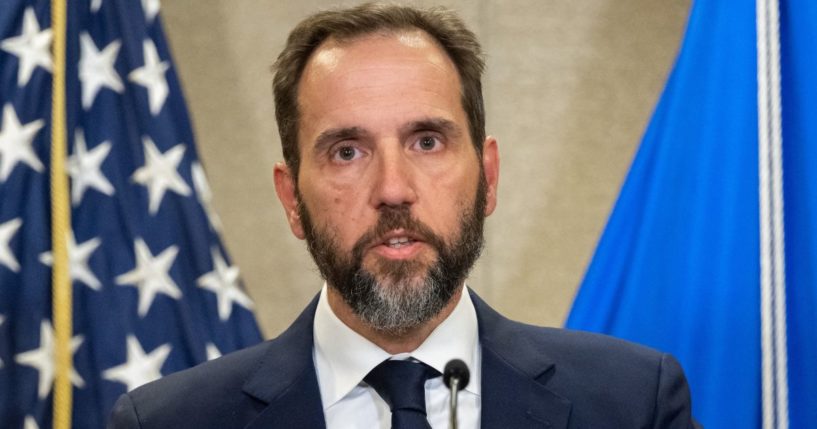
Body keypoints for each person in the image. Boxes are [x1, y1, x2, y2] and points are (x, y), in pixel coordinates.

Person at [108, 3, 700, 428]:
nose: (393, 190)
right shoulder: (167, 420)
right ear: (292, 199)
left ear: (488, 177)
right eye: (347, 151)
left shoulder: (632, 403)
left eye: (427, 142)